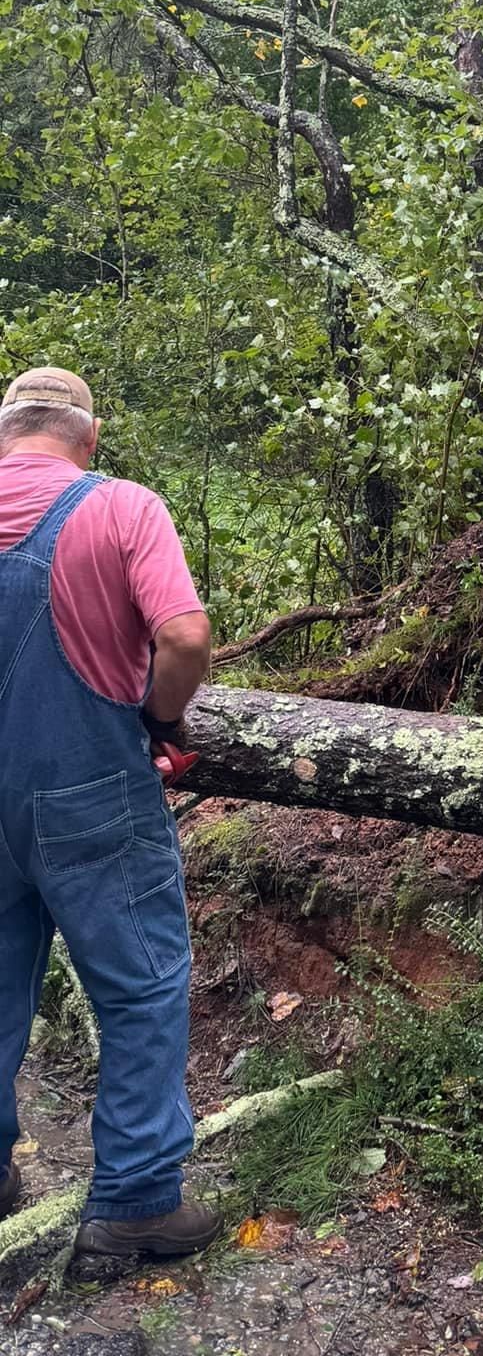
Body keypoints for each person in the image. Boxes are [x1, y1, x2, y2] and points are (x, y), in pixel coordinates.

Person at [0, 367, 220, 1258]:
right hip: (90, 794)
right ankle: (132, 1201)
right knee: (141, 988)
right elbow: (186, 637)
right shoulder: (122, 507)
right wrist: (161, 717)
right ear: (87, 439)